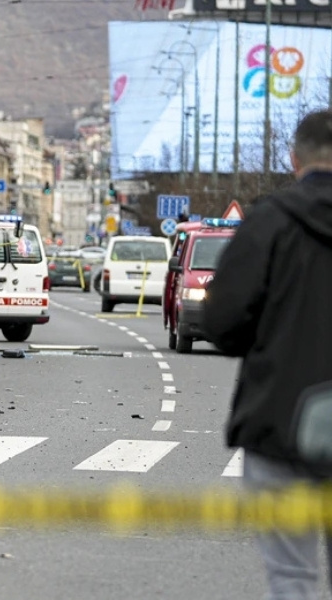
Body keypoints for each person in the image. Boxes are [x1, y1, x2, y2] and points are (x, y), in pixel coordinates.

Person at [204, 110, 332, 599]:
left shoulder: (270, 222)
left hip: (281, 422)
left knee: (292, 578)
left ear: (294, 158)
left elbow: (223, 324)